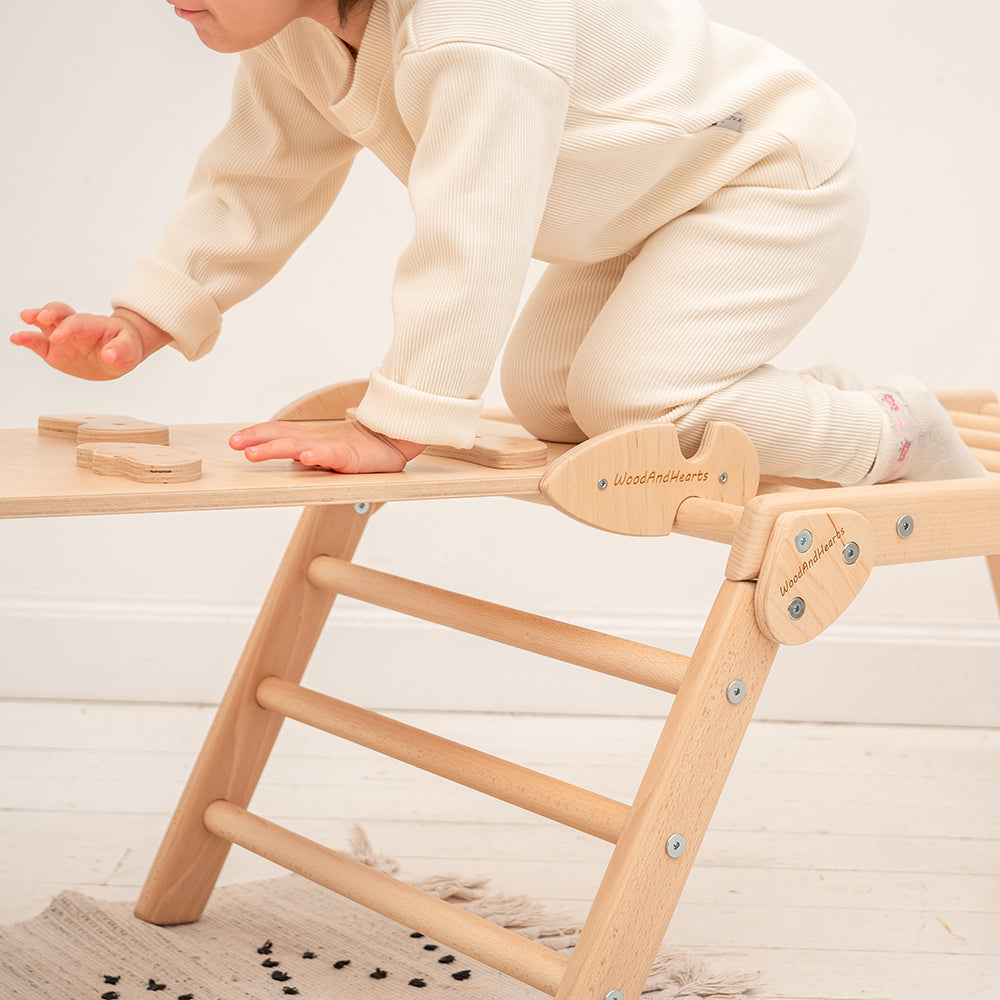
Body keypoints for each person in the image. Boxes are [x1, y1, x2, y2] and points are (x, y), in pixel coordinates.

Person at [11, 0, 987, 483]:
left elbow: (472, 227)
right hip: (648, 201)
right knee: (552, 398)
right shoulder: (296, 34)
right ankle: (790, 397)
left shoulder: (474, 29)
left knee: (631, 396)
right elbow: (257, 174)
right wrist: (148, 316)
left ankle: (894, 428)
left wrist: (399, 424)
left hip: (763, 170)